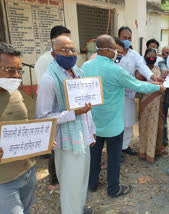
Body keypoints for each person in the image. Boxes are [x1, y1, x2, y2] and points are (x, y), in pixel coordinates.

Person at [82, 35, 165, 197]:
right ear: (106, 50)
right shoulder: (115, 70)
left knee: (94, 155)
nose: (117, 52)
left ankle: (92, 183)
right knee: (114, 158)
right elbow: (137, 85)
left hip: (93, 122)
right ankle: (113, 189)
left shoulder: (85, 66)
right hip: (113, 124)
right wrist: (157, 88)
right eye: (114, 49)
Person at [36, 35, 95, 214]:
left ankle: (78, 208)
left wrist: (91, 132)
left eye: (72, 49)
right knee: (70, 185)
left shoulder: (78, 72)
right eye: (64, 50)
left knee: (82, 179)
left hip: (83, 136)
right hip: (67, 142)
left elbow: (87, 107)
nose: (70, 53)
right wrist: (73, 113)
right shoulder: (49, 79)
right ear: (54, 54)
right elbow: (43, 118)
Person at [0, 42, 37, 214]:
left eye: (19, 70)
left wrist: (41, 141)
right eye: (9, 70)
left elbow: (25, 124)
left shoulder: (15, 92)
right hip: (4, 181)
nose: (16, 76)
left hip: (27, 170)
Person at [34, 25, 71, 191]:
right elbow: (48, 86)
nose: (68, 47)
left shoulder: (66, 59)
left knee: (58, 144)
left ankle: (61, 176)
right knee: (53, 145)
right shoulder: (44, 61)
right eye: (64, 41)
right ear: (53, 41)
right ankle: (54, 179)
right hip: (53, 107)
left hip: (64, 108)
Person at [117, 26, 163, 156]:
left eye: (129, 38)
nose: (127, 40)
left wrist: (153, 77)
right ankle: (116, 149)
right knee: (117, 122)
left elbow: (143, 68)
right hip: (116, 93)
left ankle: (125, 146)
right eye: (124, 37)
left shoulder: (134, 55)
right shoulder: (114, 53)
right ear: (118, 38)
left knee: (128, 121)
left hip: (129, 92)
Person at [137, 48, 167, 162]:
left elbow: (161, 85)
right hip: (144, 102)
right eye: (149, 55)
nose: (151, 57)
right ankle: (144, 152)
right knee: (144, 126)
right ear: (144, 57)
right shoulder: (140, 70)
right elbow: (137, 84)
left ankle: (155, 151)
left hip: (157, 102)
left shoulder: (158, 70)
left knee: (156, 126)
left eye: (153, 55)